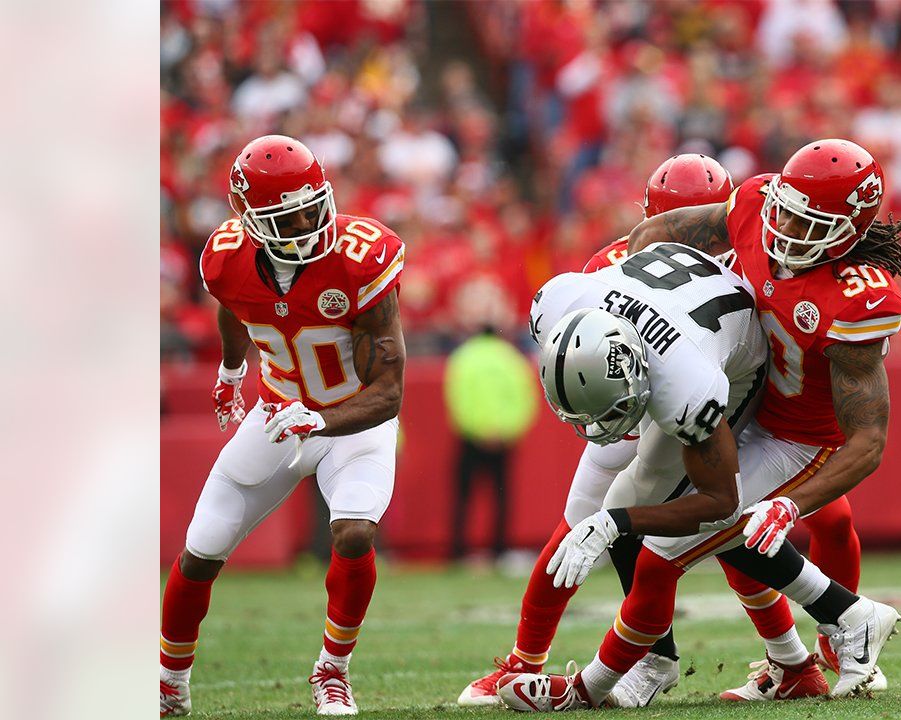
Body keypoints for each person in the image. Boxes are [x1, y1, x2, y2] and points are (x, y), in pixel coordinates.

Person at [494, 240, 901, 711]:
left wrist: (617, 523)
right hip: (682, 322)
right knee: (632, 507)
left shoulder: (686, 386)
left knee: (660, 543)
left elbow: (720, 502)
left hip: (738, 369)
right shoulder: (560, 300)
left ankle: (598, 685)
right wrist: (619, 519)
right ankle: (834, 620)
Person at [630, 138, 901, 702]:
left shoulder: (855, 298)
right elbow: (651, 235)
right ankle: (820, 643)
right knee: (719, 530)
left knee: (681, 542)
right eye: (786, 208)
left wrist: (790, 503)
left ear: (849, 232)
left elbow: (868, 441)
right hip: (742, 407)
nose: (784, 228)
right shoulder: (756, 205)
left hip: (798, 437)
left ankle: (621, 679)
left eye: (810, 223)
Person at [457, 153, 735, 706]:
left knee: (733, 531)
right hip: (652, 415)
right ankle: (791, 656)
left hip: (687, 413)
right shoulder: (734, 268)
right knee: (595, 535)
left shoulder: (623, 259)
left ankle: (790, 656)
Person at [160, 135, 407, 717]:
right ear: (250, 220)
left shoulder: (360, 258)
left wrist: (319, 419)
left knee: (353, 533)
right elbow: (233, 302)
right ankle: (170, 682)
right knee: (202, 548)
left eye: (311, 205)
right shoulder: (226, 257)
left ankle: (333, 670)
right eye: (287, 214)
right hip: (276, 416)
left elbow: (390, 393)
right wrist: (230, 367)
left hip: (351, 420)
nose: (306, 223)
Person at [443, 326, 539, 561]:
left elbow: (457, 398)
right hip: (503, 440)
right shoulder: (512, 358)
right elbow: (526, 398)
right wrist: (506, 430)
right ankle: (499, 549)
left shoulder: (463, 357)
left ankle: (458, 550)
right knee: (501, 497)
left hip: (471, 438)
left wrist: (476, 430)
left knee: (463, 497)